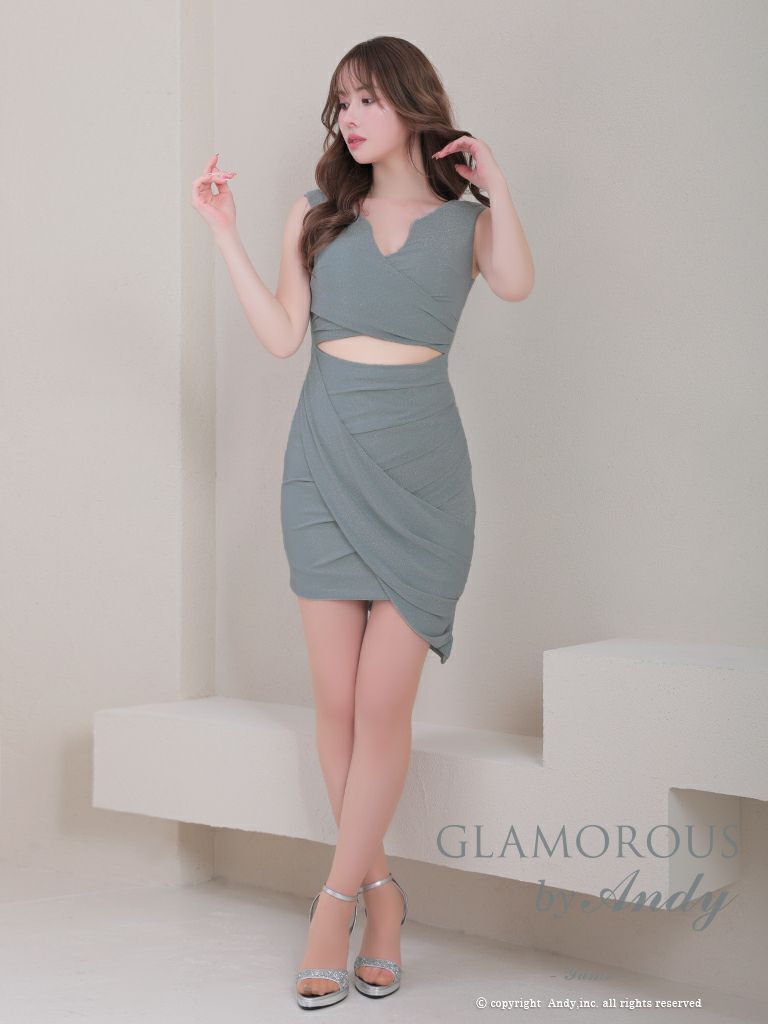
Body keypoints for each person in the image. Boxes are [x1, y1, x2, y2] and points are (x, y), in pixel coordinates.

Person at [191, 34, 534, 1011]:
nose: (349, 117)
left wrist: (499, 184)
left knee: (384, 707)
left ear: (414, 106)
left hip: (424, 482)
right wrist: (223, 232)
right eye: (340, 102)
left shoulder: (466, 224)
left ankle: (333, 904)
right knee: (335, 708)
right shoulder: (317, 215)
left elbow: (516, 281)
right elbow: (281, 335)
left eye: (368, 99)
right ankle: (381, 898)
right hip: (322, 469)